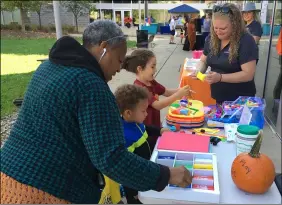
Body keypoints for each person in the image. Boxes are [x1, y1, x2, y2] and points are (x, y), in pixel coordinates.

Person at [0, 20, 192, 204]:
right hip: (42, 189)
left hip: (7, 173)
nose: (119, 68)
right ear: (103, 47)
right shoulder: (90, 85)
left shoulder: (48, 67)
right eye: (118, 60)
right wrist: (167, 175)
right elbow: (111, 158)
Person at [114, 84, 171, 204]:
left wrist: (160, 130)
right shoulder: (125, 135)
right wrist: (134, 192)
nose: (146, 114)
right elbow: (127, 167)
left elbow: (146, 128)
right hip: (135, 183)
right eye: (143, 111)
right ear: (128, 113)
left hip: (146, 169)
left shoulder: (135, 122)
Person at [192, 3, 258, 104]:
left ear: (235, 25)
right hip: (219, 97)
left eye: (223, 28)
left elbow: (248, 74)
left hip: (240, 101)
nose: (218, 32)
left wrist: (220, 77)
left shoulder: (246, 41)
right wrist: (198, 71)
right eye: (215, 28)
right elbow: (203, 60)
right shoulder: (212, 38)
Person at [122, 49, 191, 144]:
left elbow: (166, 92)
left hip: (155, 125)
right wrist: (178, 95)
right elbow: (157, 105)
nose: (155, 70)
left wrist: (182, 90)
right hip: (147, 129)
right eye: (152, 67)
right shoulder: (140, 88)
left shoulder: (151, 82)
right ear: (140, 69)